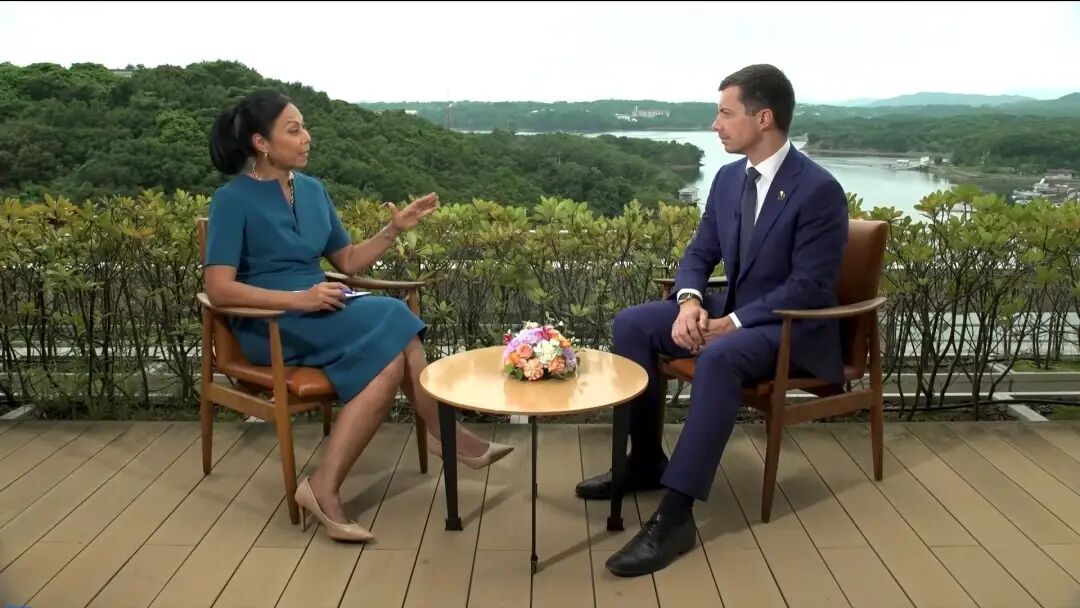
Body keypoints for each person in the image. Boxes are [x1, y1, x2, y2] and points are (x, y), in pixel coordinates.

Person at [204, 90, 513, 543]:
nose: (307, 137)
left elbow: (347, 260)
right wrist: (299, 300)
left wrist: (393, 230)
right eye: (294, 130)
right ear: (261, 143)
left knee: (390, 358)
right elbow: (218, 288)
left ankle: (323, 487)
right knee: (394, 316)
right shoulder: (232, 200)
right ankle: (444, 433)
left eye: (304, 127)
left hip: (324, 308)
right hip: (270, 321)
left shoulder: (312, 191)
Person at [575, 65, 849, 576]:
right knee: (633, 323)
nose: (715, 124)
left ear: (763, 118)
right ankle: (645, 461)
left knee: (720, 356)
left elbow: (809, 286)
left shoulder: (818, 190)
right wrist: (689, 302)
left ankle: (675, 517)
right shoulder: (727, 179)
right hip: (737, 312)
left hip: (791, 327)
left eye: (725, 113)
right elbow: (701, 252)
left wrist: (733, 322)